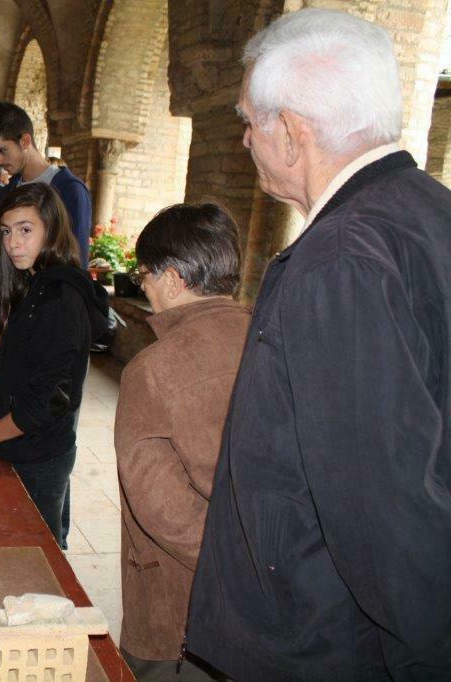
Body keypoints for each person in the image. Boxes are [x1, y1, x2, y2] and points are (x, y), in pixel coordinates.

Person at [187, 9, 451, 680]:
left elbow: (382, 508)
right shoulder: (428, 211)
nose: (244, 139)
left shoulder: (342, 259)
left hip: (320, 640)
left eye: (249, 121)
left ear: (293, 132)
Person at [114, 204, 248, 680]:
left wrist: (234, 563)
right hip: (271, 587)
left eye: (145, 275)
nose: (144, 287)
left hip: (184, 598)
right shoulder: (268, 337)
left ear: (172, 279)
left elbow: (161, 508)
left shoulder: (153, 369)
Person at [0, 184, 108, 549]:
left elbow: (51, 398)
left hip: (39, 453)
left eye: (26, 230)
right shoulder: (36, 285)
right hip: (27, 444)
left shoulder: (59, 298)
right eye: (7, 231)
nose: (13, 243)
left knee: (39, 552)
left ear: (51, 230)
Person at [0, 101, 93, 264]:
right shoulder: (6, 194)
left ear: (25, 141)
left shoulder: (69, 189)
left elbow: (77, 265)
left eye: (2, 150)